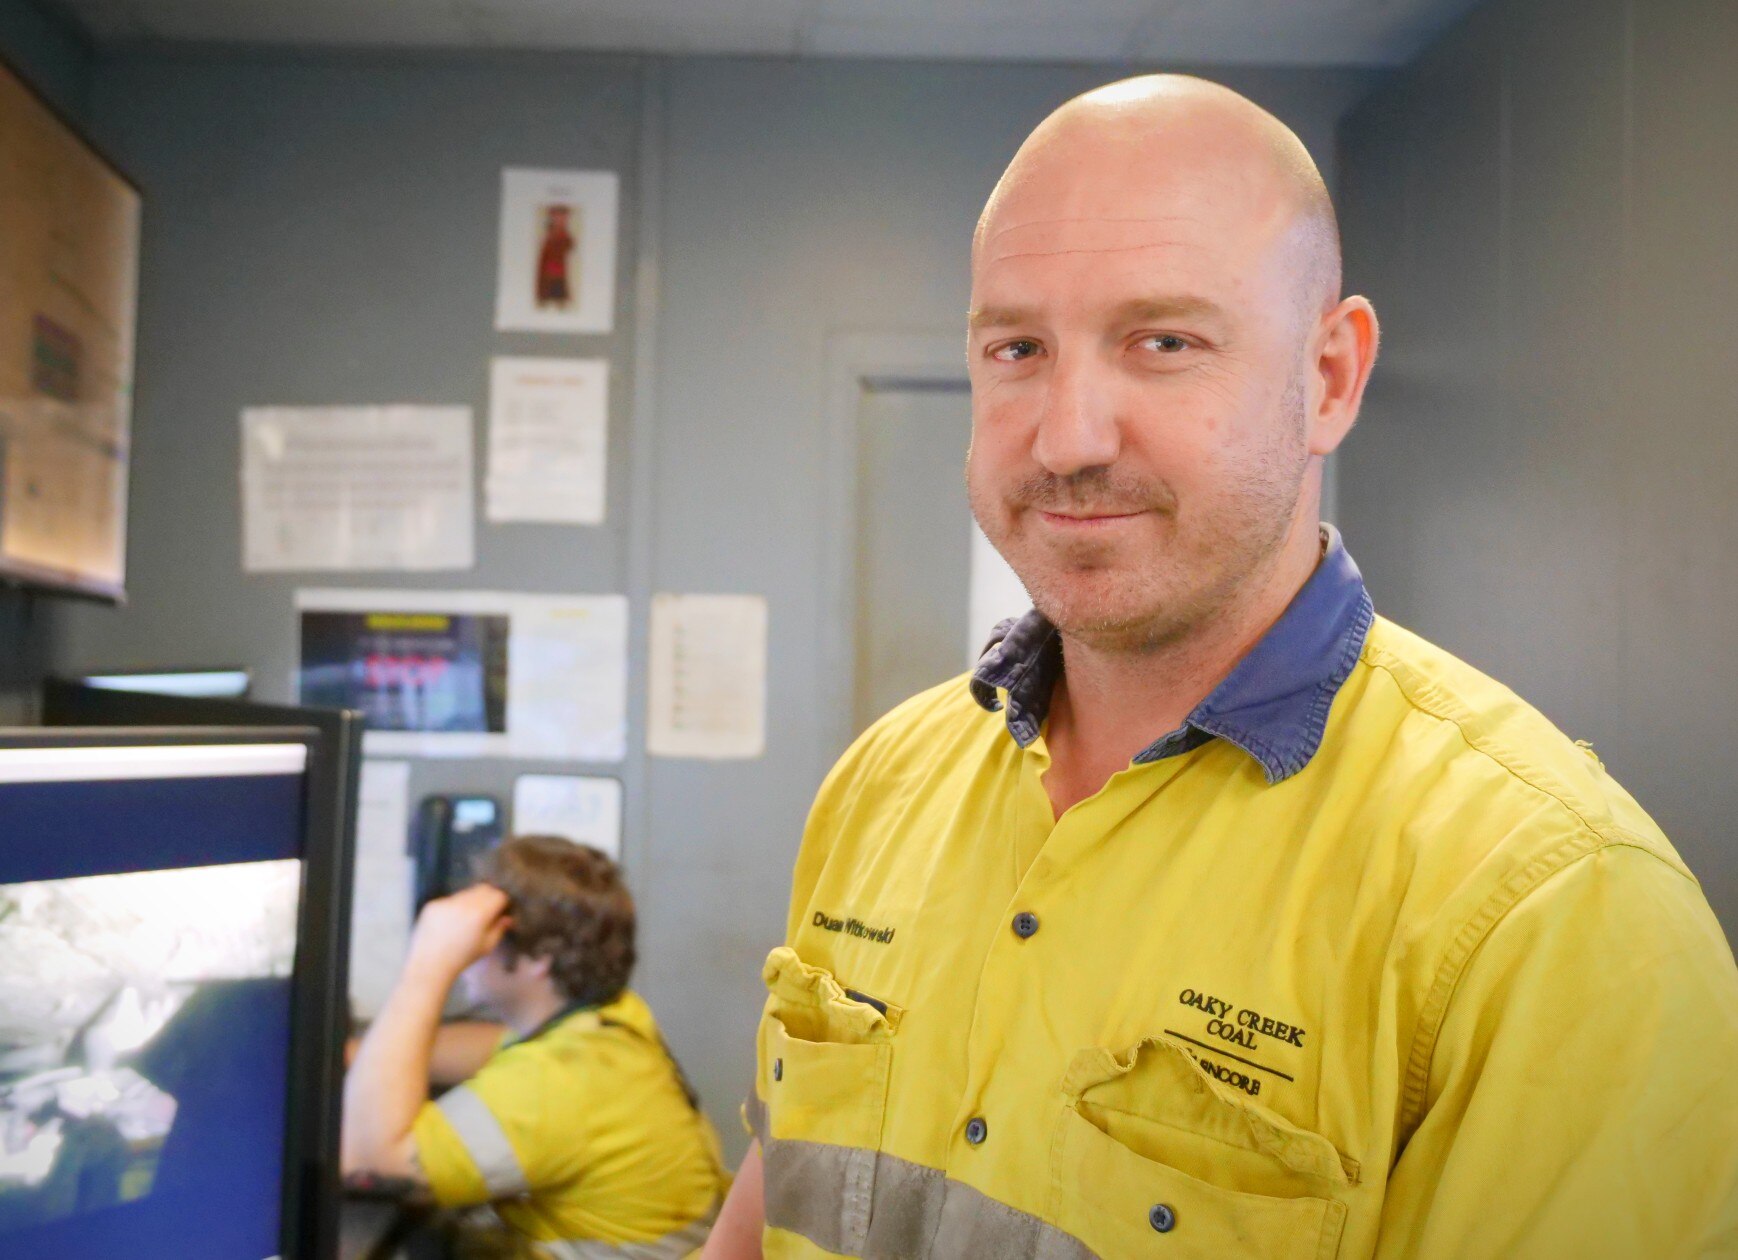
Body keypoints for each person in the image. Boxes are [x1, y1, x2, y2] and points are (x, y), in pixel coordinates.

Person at [702, 74, 1738, 1260]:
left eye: (1163, 342)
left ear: (1328, 379)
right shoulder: (885, 779)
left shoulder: (1556, 912)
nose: (1068, 436)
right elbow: (774, 1197)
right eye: (1017, 347)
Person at [344, 835, 728, 1258]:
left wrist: (428, 963)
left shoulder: (559, 1082)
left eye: (486, 936)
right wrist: (355, 1054)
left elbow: (371, 1165)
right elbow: (495, 1046)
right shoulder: (606, 1026)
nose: (471, 950)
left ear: (538, 957)